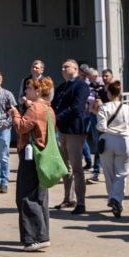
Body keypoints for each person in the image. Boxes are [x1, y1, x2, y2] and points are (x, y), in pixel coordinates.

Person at [10, 76, 54, 251]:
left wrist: (14, 113)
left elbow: (21, 127)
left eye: (29, 88)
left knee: (27, 197)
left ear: (37, 91)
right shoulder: (48, 108)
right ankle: (40, 234)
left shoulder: (35, 108)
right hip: (43, 156)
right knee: (40, 197)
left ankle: (35, 238)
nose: (26, 90)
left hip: (31, 157)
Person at [51, 59, 90, 214]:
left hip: (74, 131)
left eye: (66, 67)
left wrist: (57, 118)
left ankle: (81, 203)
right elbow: (54, 106)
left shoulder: (81, 86)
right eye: (62, 66)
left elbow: (76, 108)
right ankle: (68, 198)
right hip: (61, 131)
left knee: (77, 168)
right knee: (65, 168)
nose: (63, 69)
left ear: (75, 69)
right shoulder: (61, 87)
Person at [95, 80, 129, 219]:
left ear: (110, 93)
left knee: (109, 173)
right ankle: (117, 199)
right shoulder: (127, 108)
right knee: (122, 173)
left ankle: (113, 198)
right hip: (124, 140)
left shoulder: (104, 107)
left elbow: (101, 127)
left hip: (107, 140)